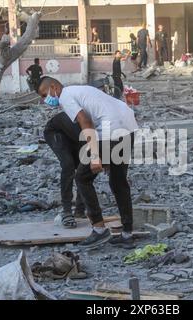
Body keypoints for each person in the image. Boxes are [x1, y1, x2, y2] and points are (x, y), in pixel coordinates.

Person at [37, 77, 139, 249]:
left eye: (44, 94)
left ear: (53, 87)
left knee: (82, 178)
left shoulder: (65, 96)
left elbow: (85, 121)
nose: (45, 99)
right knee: (119, 182)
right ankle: (127, 234)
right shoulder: (80, 89)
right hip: (128, 126)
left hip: (110, 130)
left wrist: (94, 155)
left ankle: (99, 229)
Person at [41, 88, 87, 229]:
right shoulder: (84, 119)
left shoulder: (100, 125)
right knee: (68, 165)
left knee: (83, 168)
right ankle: (66, 210)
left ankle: (80, 209)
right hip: (57, 133)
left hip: (77, 137)